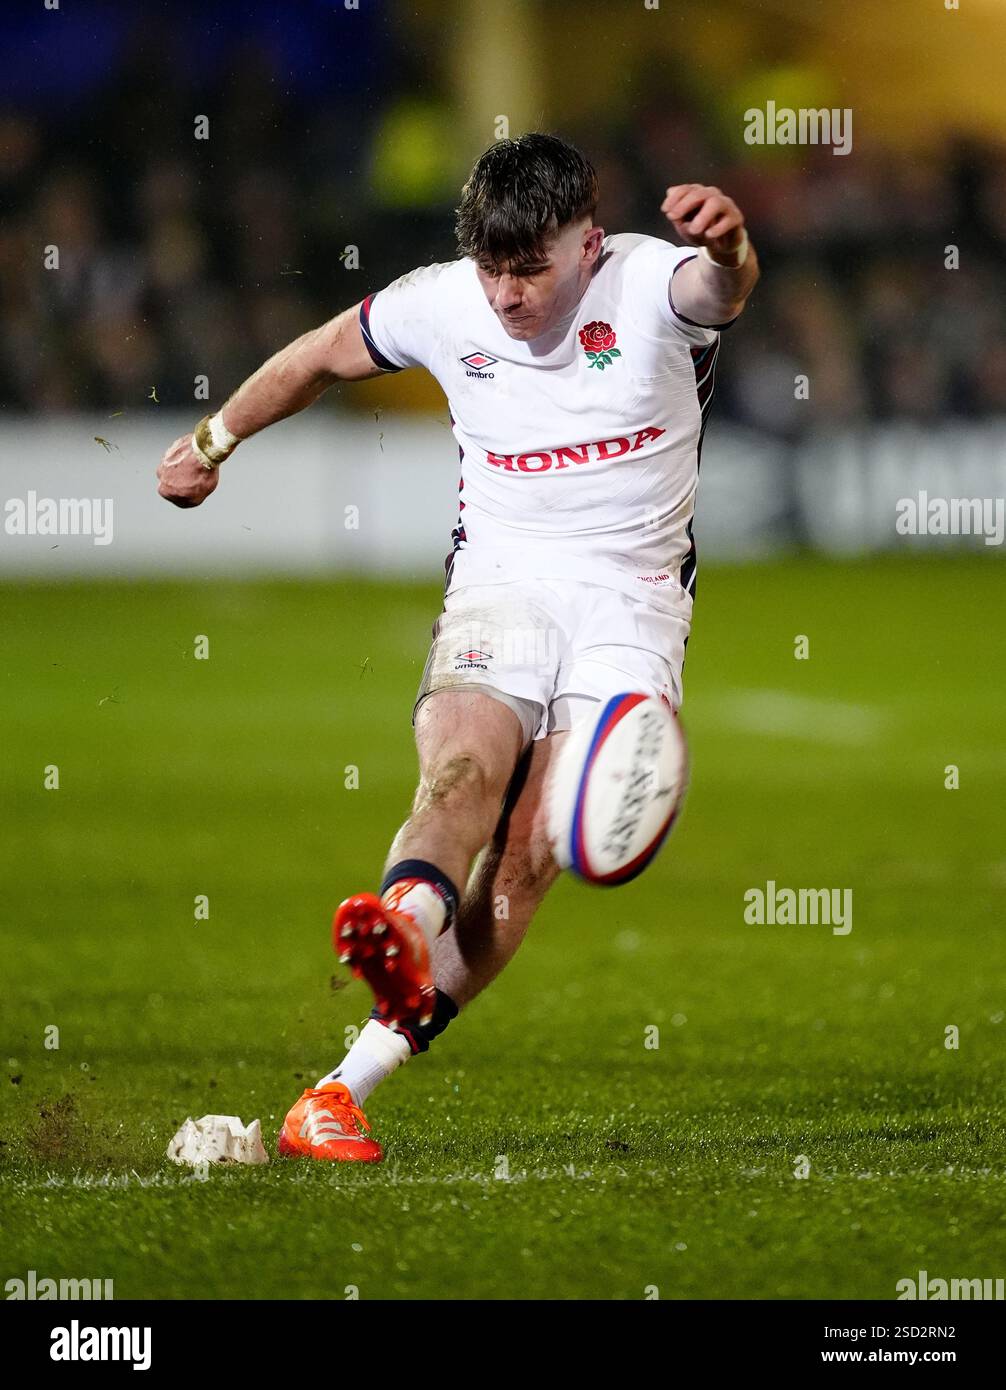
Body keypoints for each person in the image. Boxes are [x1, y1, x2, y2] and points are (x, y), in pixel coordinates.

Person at [156, 132, 759, 1162]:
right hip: (499, 585)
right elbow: (314, 356)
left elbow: (721, 285)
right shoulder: (441, 300)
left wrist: (734, 241)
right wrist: (213, 442)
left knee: (527, 855)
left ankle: (338, 1093)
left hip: (631, 605)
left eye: (532, 269)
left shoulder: (653, 282)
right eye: (493, 271)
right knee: (460, 774)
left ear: (588, 241)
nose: (510, 296)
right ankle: (401, 921)